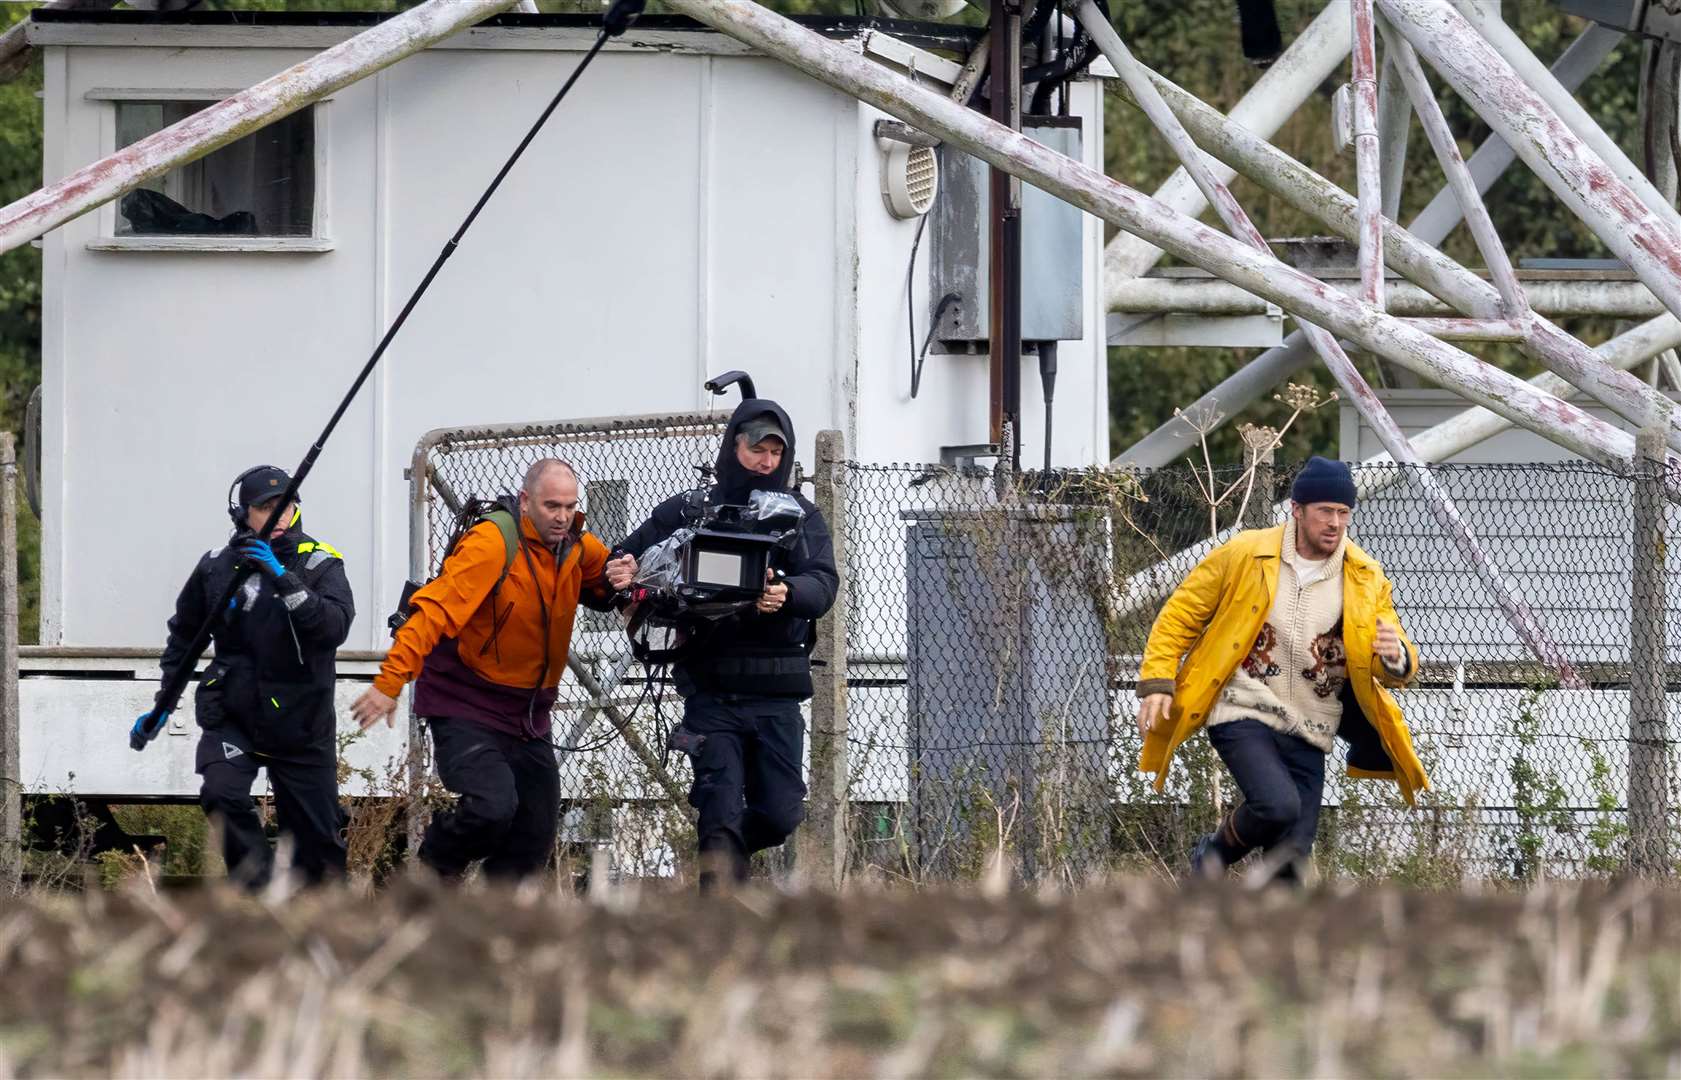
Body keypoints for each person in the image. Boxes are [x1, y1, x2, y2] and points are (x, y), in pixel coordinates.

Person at [1135, 456, 1428, 883]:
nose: (1335, 522)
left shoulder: (1364, 577)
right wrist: (1157, 681)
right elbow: (1181, 613)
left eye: (1343, 512)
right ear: (1296, 509)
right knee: (1277, 805)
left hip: (1312, 723)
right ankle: (1213, 857)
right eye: (1325, 511)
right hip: (1244, 706)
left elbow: (1394, 655)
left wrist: (1395, 657)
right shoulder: (1245, 553)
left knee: (1289, 866)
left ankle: (1266, 940)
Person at [606, 397, 837, 888]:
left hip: (776, 695)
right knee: (719, 812)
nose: (766, 461)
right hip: (711, 694)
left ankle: (723, 857)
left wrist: (786, 592)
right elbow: (622, 560)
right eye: (757, 449)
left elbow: (823, 584)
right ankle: (719, 926)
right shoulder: (692, 509)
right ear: (734, 447)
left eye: (777, 452)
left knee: (779, 815)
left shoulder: (800, 517)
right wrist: (622, 569)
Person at [351, 459, 612, 883]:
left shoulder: (577, 544)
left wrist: (625, 579)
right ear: (526, 502)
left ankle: (492, 922)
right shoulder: (492, 543)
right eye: (552, 506)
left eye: (570, 506)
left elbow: (608, 573)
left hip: (529, 713)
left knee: (535, 836)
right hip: (467, 701)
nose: (563, 516)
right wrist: (390, 682)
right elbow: (433, 611)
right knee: (491, 808)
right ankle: (430, 876)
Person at [132, 465, 354, 887]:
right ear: (242, 513)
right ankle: (260, 891)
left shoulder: (322, 561)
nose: (277, 516)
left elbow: (333, 628)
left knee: (319, 848)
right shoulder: (216, 566)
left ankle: (322, 923)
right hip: (233, 712)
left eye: (285, 506)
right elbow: (184, 638)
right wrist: (164, 703)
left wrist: (281, 576)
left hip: (302, 721)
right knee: (222, 794)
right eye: (264, 508)